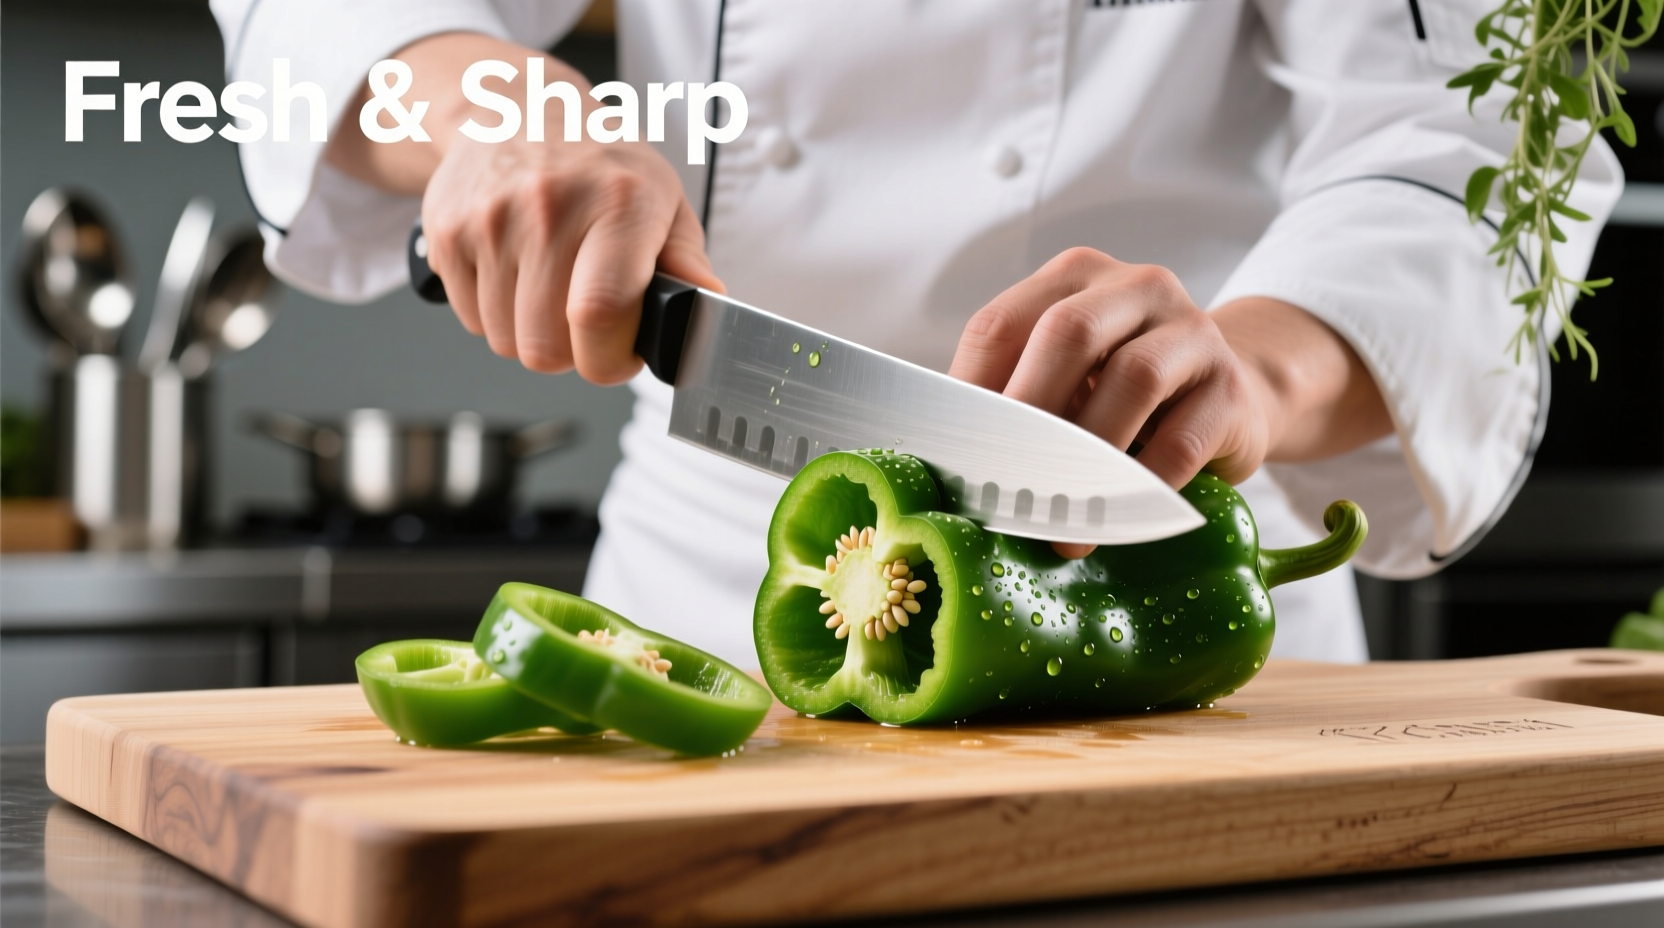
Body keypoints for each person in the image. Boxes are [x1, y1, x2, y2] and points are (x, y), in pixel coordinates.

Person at [213, 0, 1619, 666]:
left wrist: (1254, 368)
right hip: (709, 597)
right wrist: (490, 113)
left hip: (1154, 568)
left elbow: (1474, 139)